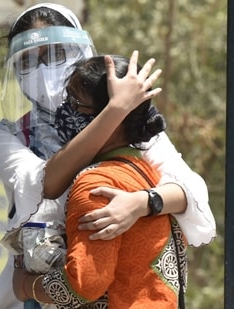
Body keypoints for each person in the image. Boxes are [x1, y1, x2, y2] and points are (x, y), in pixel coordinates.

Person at [0, 3, 214, 309]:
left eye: (55, 54)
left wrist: (140, 203)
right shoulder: (6, 136)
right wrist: (115, 111)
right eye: (28, 61)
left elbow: (191, 191)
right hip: (35, 285)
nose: (43, 69)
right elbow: (44, 184)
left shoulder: (133, 126)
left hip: (119, 290)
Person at [12, 54, 186, 308]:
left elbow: (84, 286)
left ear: (111, 117)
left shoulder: (97, 185)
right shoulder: (149, 173)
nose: (66, 110)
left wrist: (25, 286)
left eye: (76, 103)